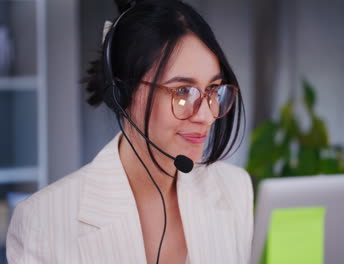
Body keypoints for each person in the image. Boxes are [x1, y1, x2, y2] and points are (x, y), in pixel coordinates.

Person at [6, 0, 253, 263]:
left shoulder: (234, 189)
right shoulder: (42, 222)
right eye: (182, 92)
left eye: (214, 90)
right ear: (123, 95)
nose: (206, 115)